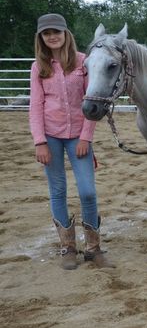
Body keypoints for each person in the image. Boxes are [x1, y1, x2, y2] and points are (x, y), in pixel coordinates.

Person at [29, 13, 114, 270]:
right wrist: (40, 141)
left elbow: (91, 101)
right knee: (57, 190)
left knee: (87, 191)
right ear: (41, 38)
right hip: (51, 135)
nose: (52, 36)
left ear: (66, 34)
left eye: (56, 31)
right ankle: (68, 247)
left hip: (78, 134)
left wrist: (86, 137)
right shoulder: (38, 67)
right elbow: (36, 106)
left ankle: (93, 248)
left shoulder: (83, 62)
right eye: (46, 33)